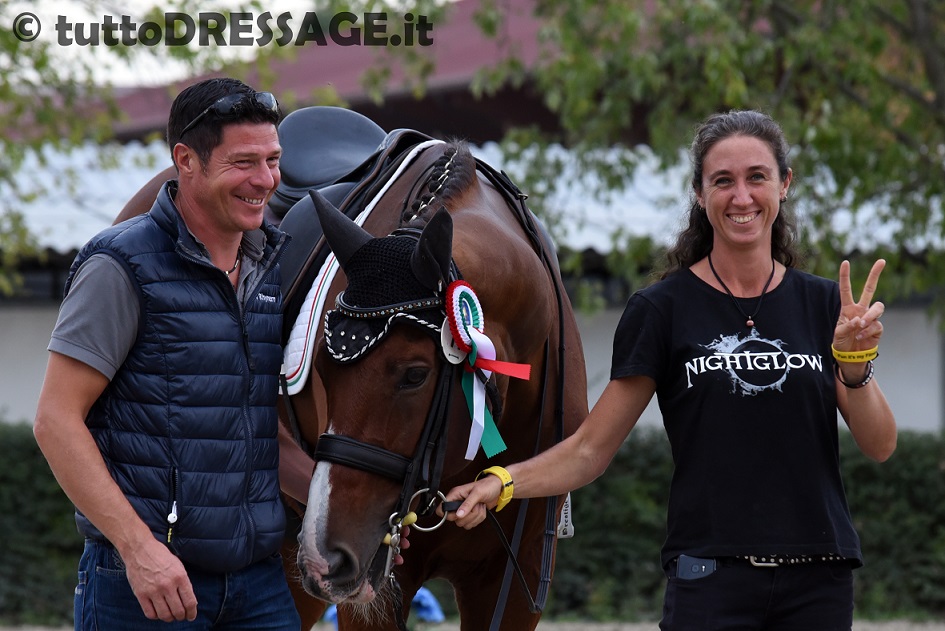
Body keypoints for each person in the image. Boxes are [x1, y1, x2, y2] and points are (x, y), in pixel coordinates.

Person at [443, 109, 897, 630]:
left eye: (757, 177)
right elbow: (591, 449)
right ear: (701, 195)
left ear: (784, 185)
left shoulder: (824, 305)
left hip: (819, 581)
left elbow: (880, 444)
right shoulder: (662, 310)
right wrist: (501, 481)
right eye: (722, 181)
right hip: (708, 582)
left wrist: (854, 364)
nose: (741, 197)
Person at [32, 77, 312, 629]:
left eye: (273, 160)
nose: (266, 181)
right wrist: (139, 551)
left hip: (259, 585)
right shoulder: (120, 265)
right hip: (145, 587)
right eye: (244, 162)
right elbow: (55, 421)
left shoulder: (270, 265)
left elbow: (265, 430)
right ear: (186, 159)